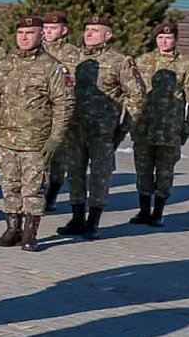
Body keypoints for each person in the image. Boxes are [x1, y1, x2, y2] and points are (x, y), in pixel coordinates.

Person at [0, 16, 73, 251]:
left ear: (41, 35)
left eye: (30, 33)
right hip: (6, 139)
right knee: (10, 186)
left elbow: (64, 105)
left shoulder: (53, 67)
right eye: (21, 33)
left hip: (36, 142)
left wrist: (55, 138)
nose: (24, 37)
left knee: (33, 190)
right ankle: (12, 229)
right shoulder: (5, 63)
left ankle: (30, 233)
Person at [58, 14, 146, 240]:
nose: (89, 34)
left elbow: (137, 96)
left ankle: (93, 221)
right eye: (87, 29)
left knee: (100, 175)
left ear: (108, 35)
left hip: (102, 131)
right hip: (74, 128)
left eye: (95, 30)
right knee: (74, 173)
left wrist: (123, 127)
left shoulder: (120, 62)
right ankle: (77, 217)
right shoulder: (71, 58)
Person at [130, 21, 189, 226]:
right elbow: (130, 92)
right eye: (160, 38)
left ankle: (158, 212)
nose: (164, 41)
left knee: (165, 173)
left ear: (176, 39)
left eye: (169, 38)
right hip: (143, 128)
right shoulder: (142, 61)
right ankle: (144, 210)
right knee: (143, 171)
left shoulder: (187, 65)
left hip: (170, 130)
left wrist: (188, 128)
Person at [39, 9, 77, 210]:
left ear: (64, 30)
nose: (48, 32)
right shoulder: (37, 50)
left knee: (59, 159)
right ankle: (38, 195)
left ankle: (52, 194)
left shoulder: (73, 54)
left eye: (53, 28)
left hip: (61, 113)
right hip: (38, 114)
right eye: (45, 28)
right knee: (39, 157)